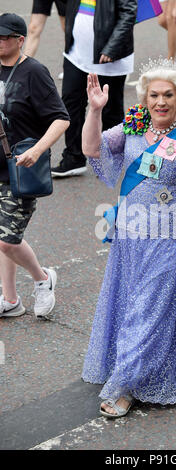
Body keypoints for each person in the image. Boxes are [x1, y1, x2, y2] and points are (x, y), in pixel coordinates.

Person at [81, 57, 176, 418]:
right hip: (130, 238)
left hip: (173, 240)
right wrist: (95, 111)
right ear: (145, 99)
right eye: (154, 95)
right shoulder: (134, 127)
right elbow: (91, 149)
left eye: (168, 95)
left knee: (149, 308)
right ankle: (147, 368)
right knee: (134, 305)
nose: (160, 102)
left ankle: (125, 386)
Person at [0, 13, 70, 318]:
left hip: (19, 169)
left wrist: (39, 150)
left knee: (6, 239)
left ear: (20, 40)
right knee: (3, 238)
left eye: (4, 37)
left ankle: (43, 279)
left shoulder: (34, 72)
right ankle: (11, 299)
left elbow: (61, 118)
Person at [51, 0, 137, 178]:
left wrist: (112, 47)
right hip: (76, 54)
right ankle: (73, 157)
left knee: (110, 110)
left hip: (108, 56)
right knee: (70, 103)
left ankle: (111, 160)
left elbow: (128, 14)